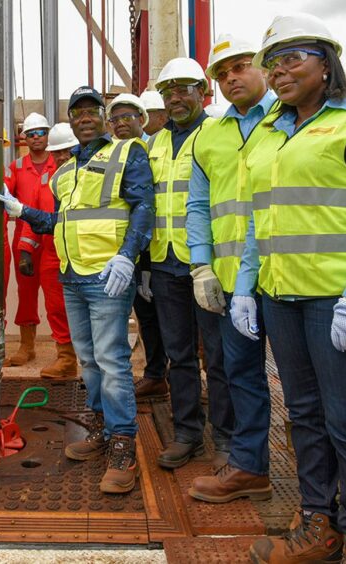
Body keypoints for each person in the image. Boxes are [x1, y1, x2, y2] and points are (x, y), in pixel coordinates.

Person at [232, 13, 346, 563]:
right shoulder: (270, 131)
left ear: (325, 61)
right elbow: (263, 218)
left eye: (293, 57)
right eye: (272, 60)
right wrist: (244, 286)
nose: (280, 70)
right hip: (282, 297)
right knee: (304, 414)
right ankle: (317, 523)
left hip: (342, 301)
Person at [0, 86, 155, 494]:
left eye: (91, 111)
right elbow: (58, 222)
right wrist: (23, 213)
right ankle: (103, 427)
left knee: (112, 360)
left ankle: (123, 444)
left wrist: (127, 256)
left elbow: (143, 206)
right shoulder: (64, 173)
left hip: (107, 275)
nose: (85, 118)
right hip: (73, 277)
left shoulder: (126, 153)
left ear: (103, 117)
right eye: (77, 112)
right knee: (88, 360)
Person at [185, 34, 277, 504]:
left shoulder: (290, 120)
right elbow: (198, 205)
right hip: (228, 277)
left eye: (240, 67)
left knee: (310, 388)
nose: (231, 78)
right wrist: (201, 266)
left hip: (286, 272)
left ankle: (334, 485)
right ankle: (249, 467)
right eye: (221, 74)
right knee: (240, 373)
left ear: (263, 67)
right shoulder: (210, 135)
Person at [146, 57, 235, 471]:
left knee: (217, 355)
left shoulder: (218, 133)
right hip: (165, 263)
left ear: (203, 92)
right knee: (179, 355)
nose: (176, 98)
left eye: (184, 89)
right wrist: (146, 262)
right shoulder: (156, 143)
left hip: (209, 264)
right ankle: (187, 433)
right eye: (169, 91)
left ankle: (227, 437)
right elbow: (146, 204)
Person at [105, 94, 170, 398]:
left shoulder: (158, 148)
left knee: (174, 317)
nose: (120, 124)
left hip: (165, 246)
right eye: (115, 119)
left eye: (127, 117)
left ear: (142, 119)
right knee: (146, 316)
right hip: (132, 250)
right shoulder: (112, 153)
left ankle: (183, 378)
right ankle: (156, 374)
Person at [16, 122, 78, 380]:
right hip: (52, 251)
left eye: (67, 151)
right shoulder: (46, 181)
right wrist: (25, 250)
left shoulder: (87, 176)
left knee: (79, 308)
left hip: (80, 251)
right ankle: (66, 359)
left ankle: (88, 358)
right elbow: (34, 213)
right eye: (58, 152)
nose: (62, 156)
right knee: (55, 307)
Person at [4, 112, 56, 367]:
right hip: (25, 241)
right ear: (24, 138)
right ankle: (27, 346)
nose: (37, 138)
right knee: (26, 292)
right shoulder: (16, 167)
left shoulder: (60, 162)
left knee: (58, 292)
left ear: (49, 134)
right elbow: (3, 197)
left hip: (55, 237)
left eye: (41, 133)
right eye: (31, 134)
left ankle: (65, 348)